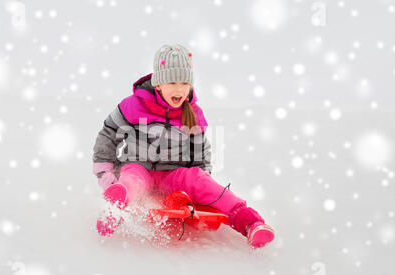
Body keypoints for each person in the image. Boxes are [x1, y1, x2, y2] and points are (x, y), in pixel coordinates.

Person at [92, 44, 274, 248]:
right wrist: (106, 172)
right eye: (172, 82)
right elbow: (108, 133)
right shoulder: (134, 105)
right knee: (133, 181)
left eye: (184, 82)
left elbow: (200, 151)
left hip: (174, 174)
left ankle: (250, 222)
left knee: (200, 181)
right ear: (159, 84)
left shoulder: (193, 113)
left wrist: (202, 180)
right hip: (138, 166)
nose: (179, 89)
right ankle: (113, 208)